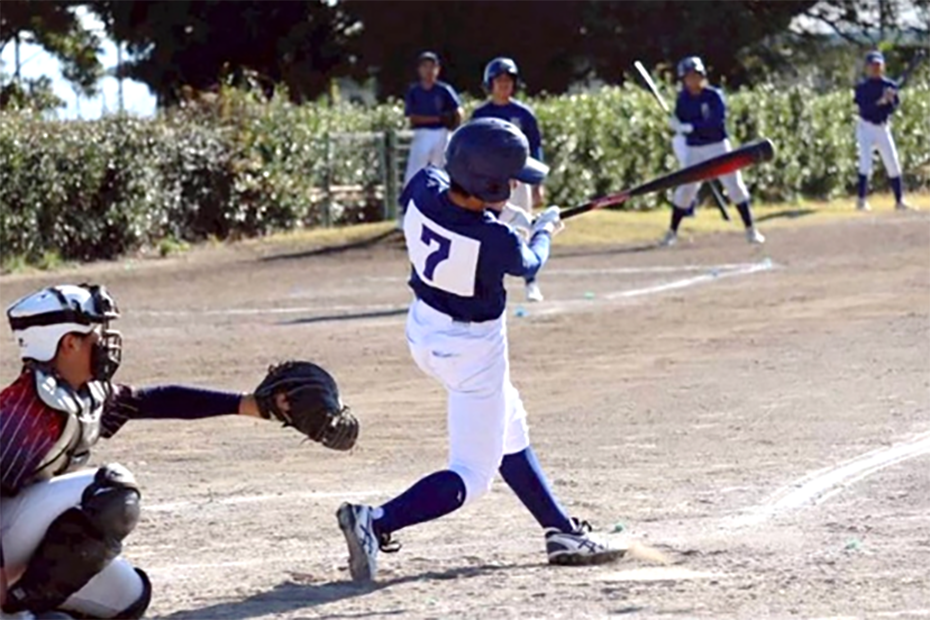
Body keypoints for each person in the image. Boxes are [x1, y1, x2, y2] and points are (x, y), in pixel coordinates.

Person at [336, 118, 625, 583]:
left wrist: (504, 216)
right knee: (472, 476)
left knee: (509, 423)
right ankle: (376, 521)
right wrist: (543, 230)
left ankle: (560, 530)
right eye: (509, 181)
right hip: (473, 353)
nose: (515, 186)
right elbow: (528, 262)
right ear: (489, 184)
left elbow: (458, 216)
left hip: (424, 330)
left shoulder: (424, 187)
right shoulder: (496, 241)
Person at [0, 284, 357, 619]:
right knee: (112, 490)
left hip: (16, 536)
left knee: (129, 599)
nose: (104, 342)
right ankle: (12, 608)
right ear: (68, 344)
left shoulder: (79, 394)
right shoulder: (22, 413)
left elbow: (157, 400)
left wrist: (249, 405)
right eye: (94, 333)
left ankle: (28, 606)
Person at [663, 56, 765, 247]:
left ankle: (751, 230)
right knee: (686, 190)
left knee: (734, 186)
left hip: (717, 146)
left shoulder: (713, 96)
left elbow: (716, 121)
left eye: (696, 75)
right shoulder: (682, 99)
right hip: (694, 148)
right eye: (689, 77)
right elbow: (680, 120)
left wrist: (692, 127)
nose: (693, 80)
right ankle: (671, 232)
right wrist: (676, 124)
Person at [473, 57, 548, 303]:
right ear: (490, 84)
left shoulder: (523, 114)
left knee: (524, 225)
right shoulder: (481, 114)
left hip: (520, 177)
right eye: (499, 80)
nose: (504, 85)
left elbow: (535, 149)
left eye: (508, 80)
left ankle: (531, 281)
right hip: (490, 181)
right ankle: (484, 282)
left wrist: (538, 184)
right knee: (486, 227)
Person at [854, 50, 911, 211]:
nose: (876, 68)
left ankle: (899, 201)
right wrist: (881, 101)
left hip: (883, 127)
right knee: (865, 163)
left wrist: (890, 100)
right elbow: (865, 109)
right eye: (873, 65)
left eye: (878, 65)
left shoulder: (889, 85)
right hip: (866, 127)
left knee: (892, 162)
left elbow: (892, 108)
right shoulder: (862, 88)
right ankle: (861, 200)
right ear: (867, 67)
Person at [402, 51, 463, 189]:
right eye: (425, 66)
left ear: (438, 69)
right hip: (422, 133)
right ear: (419, 69)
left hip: (442, 132)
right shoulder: (414, 91)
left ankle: (442, 197)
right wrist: (438, 118)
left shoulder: (444, 89)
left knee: (440, 170)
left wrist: (455, 125)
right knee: (415, 171)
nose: (429, 70)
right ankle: (411, 197)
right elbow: (412, 118)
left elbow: (457, 110)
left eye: (432, 66)